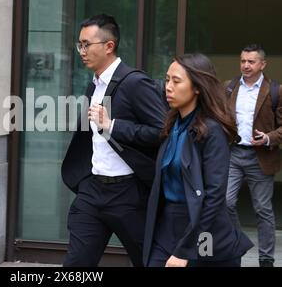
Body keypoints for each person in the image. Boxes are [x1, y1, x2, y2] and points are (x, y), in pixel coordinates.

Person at [61, 14, 166, 267]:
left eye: (87, 44)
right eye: (80, 44)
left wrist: (113, 126)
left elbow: (163, 130)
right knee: (76, 265)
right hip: (93, 191)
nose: (82, 51)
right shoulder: (94, 85)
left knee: (149, 261)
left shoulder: (134, 83)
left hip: (128, 194)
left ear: (109, 46)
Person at [143, 53, 253, 267]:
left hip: (204, 229)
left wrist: (186, 250)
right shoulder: (172, 124)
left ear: (197, 87)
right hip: (167, 224)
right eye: (167, 80)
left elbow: (214, 196)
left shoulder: (211, 131)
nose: (168, 87)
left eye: (176, 81)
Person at [225, 44, 282, 267]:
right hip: (234, 154)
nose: (246, 65)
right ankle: (239, 244)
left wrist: (268, 137)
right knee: (225, 202)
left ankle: (266, 259)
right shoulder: (229, 87)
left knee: (262, 209)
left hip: (261, 157)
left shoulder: (275, 91)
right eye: (243, 61)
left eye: (251, 61)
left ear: (262, 64)